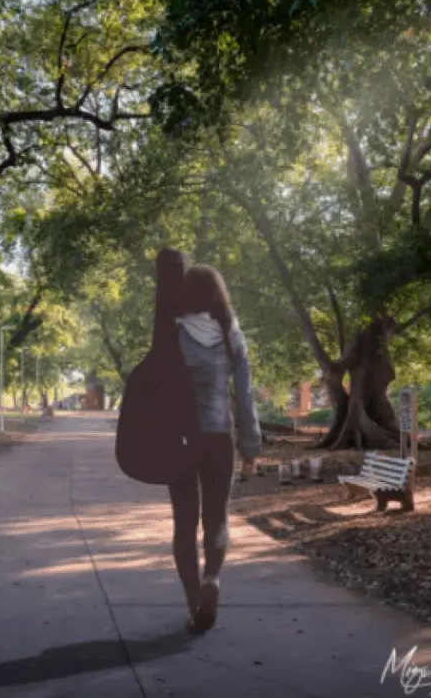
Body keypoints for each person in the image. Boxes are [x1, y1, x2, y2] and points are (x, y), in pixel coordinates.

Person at [171, 263, 262, 633]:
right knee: (217, 518)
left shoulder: (172, 333)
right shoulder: (231, 335)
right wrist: (251, 444)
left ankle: (195, 602)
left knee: (184, 523)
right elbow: (245, 395)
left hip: (179, 441)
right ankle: (212, 580)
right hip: (219, 439)